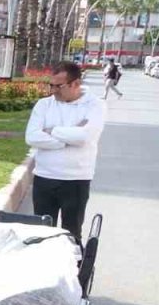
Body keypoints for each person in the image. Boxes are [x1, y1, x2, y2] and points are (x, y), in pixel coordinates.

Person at [23, 61, 105, 241]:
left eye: (58, 86)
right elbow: (32, 137)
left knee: (72, 233)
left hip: (75, 180)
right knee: (42, 232)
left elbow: (85, 137)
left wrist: (52, 130)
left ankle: (75, 269)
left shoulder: (95, 105)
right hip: (44, 178)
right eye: (51, 85)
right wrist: (68, 139)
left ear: (75, 84)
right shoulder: (44, 105)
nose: (53, 90)